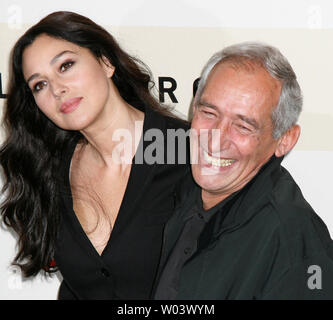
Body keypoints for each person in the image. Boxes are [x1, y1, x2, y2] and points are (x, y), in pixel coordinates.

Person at [0, 11, 189, 299]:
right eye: (39, 85)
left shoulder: (186, 149)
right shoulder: (51, 170)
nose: (57, 89)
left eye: (66, 65)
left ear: (106, 62)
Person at [154, 42, 333, 299]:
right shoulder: (176, 187)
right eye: (208, 112)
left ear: (285, 139)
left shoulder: (292, 244)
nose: (215, 140)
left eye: (243, 127)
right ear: (194, 108)